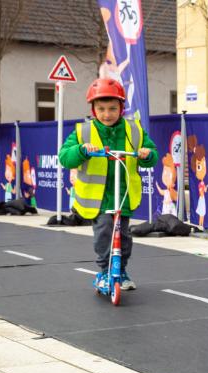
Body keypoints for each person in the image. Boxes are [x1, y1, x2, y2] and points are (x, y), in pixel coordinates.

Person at [59, 78, 158, 291]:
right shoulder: (83, 131)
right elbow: (65, 157)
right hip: (98, 198)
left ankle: (120, 271)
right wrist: (81, 150)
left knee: (124, 237)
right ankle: (105, 271)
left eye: (112, 108)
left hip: (123, 195)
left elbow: (151, 154)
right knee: (104, 231)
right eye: (101, 109)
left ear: (121, 108)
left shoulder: (134, 130)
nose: (107, 114)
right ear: (93, 110)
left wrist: (147, 154)